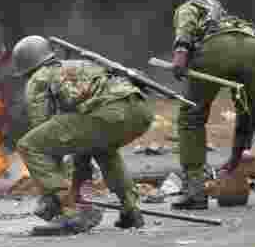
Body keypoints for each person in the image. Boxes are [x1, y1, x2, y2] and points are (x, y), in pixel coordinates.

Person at [168, 0, 255, 209]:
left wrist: (181, 52)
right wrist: (236, 157)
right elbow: (245, 115)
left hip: (214, 49)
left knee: (191, 118)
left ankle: (196, 193)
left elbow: (186, 22)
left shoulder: (191, 5)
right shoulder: (231, 20)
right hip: (254, 49)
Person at [11, 35, 153, 234]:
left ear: (26, 67)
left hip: (107, 111)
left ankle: (69, 211)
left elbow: (42, 132)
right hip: (140, 109)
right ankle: (131, 209)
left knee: (29, 145)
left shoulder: (39, 77)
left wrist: (52, 193)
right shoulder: (77, 64)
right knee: (102, 147)